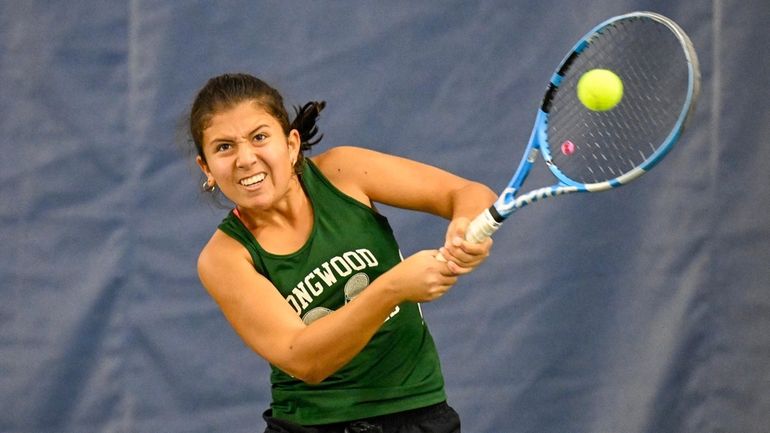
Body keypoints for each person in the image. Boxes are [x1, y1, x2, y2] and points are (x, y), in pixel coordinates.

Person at [187, 73, 496, 433]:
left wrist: (466, 227)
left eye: (259, 137)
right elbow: (304, 358)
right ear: (206, 168)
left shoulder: (343, 171)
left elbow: (468, 193)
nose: (245, 159)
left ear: (290, 144)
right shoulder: (223, 258)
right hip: (314, 426)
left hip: (419, 413)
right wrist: (392, 288)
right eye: (224, 147)